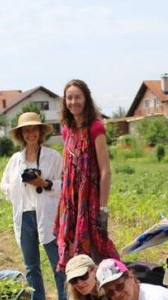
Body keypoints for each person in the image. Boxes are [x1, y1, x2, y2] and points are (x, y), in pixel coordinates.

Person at [0, 112, 69, 300]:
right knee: (31, 264)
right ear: (21, 134)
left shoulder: (53, 157)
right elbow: (3, 184)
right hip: (24, 214)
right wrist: (16, 188)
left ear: (40, 132)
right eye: (26, 130)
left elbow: (65, 185)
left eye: (34, 129)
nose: (30, 133)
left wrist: (44, 183)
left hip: (47, 215)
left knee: (57, 262)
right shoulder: (15, 160)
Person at [54, 79, 120, 271]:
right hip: (69, 202)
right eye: (69, 98)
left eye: (78, 97)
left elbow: (105, 170)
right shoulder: (66, 129)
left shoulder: (95, 127)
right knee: (73, 254)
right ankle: (79, 297)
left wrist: (103, 208)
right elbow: (67, 169)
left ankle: (110, 293)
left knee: (97, 252)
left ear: (86, 99)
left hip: (89, 201)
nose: (73, 102)